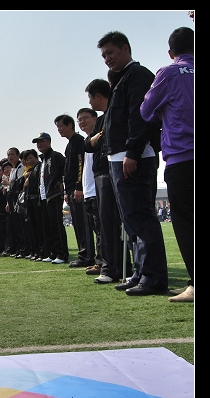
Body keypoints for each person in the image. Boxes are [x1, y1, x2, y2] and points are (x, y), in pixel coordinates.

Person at [97, 30, 168, 296]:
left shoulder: (138, 76)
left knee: (142, 217)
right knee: (130, 221)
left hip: (134, 156)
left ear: (125, 48)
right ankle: (140, 272)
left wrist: (133, 153)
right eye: (104, 55)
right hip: (118, 157)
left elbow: (141, 117)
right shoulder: (120, 80)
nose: (107, 59)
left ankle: (153, 277)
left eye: (111, 52)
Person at [140, 26, 194, 302]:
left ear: (171, 52)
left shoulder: (168, 73)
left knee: (186, 223)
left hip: (183, 156)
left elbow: (146, 110)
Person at [84, 78, 132, 285]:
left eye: (90, 98)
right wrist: (95, 139)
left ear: (98, 96)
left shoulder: (116, 114)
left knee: (121, 222)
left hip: (115, 170)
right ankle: (111, 267)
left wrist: (97, 140)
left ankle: (124, 268)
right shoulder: (102, 120)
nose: (89, 102)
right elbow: (88, 144)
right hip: (102, 175)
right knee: (106, 223)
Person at [54, 114, 94, 268]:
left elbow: (81, 165)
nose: (59, 129)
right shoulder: (69, 144)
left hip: (79, 189)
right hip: (71, 189)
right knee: (77, 223)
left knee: (83, 223)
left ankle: (87, 256)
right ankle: (83, 254)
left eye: (61, 126)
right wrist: (67, 190)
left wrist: (78, 187)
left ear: (70, 125)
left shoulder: (78, 141)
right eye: (57, 127)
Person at [33, 132, 68, 264]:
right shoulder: (43, 160)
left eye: (42, 141)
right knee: (47, 226)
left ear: (48, 142)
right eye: (37, 143)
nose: (39, 144)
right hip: (44, 196)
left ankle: (62, 253)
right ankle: (52, 252)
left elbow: (66, 169)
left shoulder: (56, 156)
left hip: (54, 195)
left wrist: (60, 182)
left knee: (56, 225)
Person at [76, 108, 103, 276]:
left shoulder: (99, 138)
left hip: (98, 190)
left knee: (102, 229)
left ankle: (103, 262)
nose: (82, 122)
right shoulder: (86, 141)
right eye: (79, 119)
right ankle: (100, 261)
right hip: (89, 192)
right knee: (97, 229)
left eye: (85, 118)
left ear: (95, 118)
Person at [5, 148, 26, 258]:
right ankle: (18, 248)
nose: (10, 157)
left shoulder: (20, 167)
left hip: (19, 199)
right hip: (11, 200)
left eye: (12, 154)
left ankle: (23, 249)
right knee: (14, 226)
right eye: (8, 155)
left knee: (20, 226)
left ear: (18, 155)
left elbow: (19, 184)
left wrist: (8, 183)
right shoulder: (13, 169)